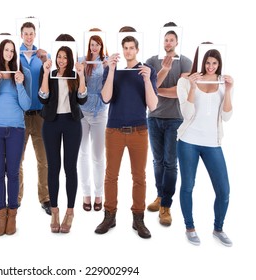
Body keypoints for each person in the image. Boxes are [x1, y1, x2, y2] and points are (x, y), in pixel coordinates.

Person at [94, 30, 158, 239]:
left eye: (132, 48)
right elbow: (105, 98)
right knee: (111, 175)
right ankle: (109, 215)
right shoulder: (113, 70)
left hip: (139, 130)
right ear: (122, 50)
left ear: (137, 50)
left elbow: (153, 105)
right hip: (114, 130)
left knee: (139, 177)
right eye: (125, 48)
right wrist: (111, 70)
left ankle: (138, 218)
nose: (128, 51)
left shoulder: (147, 71)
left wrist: (148, 80)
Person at [177, 45, 233, 246]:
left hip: (212, 143)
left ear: (219, 63)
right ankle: (190, 227)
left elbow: (226, 116)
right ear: (201, 62)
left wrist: (228, 90)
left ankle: (218, 228)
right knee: (188, 186)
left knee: (224, 191)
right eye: (207, 62)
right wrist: (192, 87)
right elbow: (187, 114)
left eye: (214, 63)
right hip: (188, 141)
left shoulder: (222, 82)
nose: (210, 66)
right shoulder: (185, 81)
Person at [0, 38, 32, 236]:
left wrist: (19, 84)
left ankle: (13, 215)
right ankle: (1, 216)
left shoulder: (23, 73)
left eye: (12, 50)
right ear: (0, 51)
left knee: (13, 173)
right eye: (6, 50)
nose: (9, 54)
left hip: (16, 130)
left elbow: (26, 105)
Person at [145, 22, 192, 226]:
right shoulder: (151, 61)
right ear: (162, 41)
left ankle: (166, 205)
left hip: (175, 118)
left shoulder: (186, 62)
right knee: (157, 162)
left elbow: (180, 91)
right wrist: (155, 88)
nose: (168, 42)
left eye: (171, 39)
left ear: (177, 41)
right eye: (165, 39)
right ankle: (160, 195)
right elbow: (147, 87)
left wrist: (157, 90)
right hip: (154, 117)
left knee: (170, 163)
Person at [39, 41, 87, 233]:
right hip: (51, 123)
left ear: (70, 59)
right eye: (59, 56)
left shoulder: (75, 76)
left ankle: (70, 212)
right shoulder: (50, 74)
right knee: (53, 168)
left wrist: (82, 75)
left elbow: (82, 99)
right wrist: (44, 73)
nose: (61, 60)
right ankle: (55, 211)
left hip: (72, 124)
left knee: (70, 168)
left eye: (65, 57)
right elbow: (42, 98)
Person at [18, 20, 51, 215]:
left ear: (35, 35)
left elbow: (52, 76)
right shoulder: (15, 55)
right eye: (26, 33)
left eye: (32, 33)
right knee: (17, 159)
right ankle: (16, 197)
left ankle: (45, 198)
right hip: (20, 115)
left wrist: (47, 57)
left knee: (43, 159)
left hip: (40, 114)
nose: (29, 37)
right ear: (21, 35)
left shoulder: (42, 55)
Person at [78, 28, 108, 212]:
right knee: (83, 154)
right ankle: (86, 193)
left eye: (97, 43)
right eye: (92, 44)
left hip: (100, 112)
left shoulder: (106, 62)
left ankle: (99, 194)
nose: (94, 47)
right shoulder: (82, 61)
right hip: (82, 111)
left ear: (102, 45)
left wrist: (109, 67)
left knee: (98, 156)